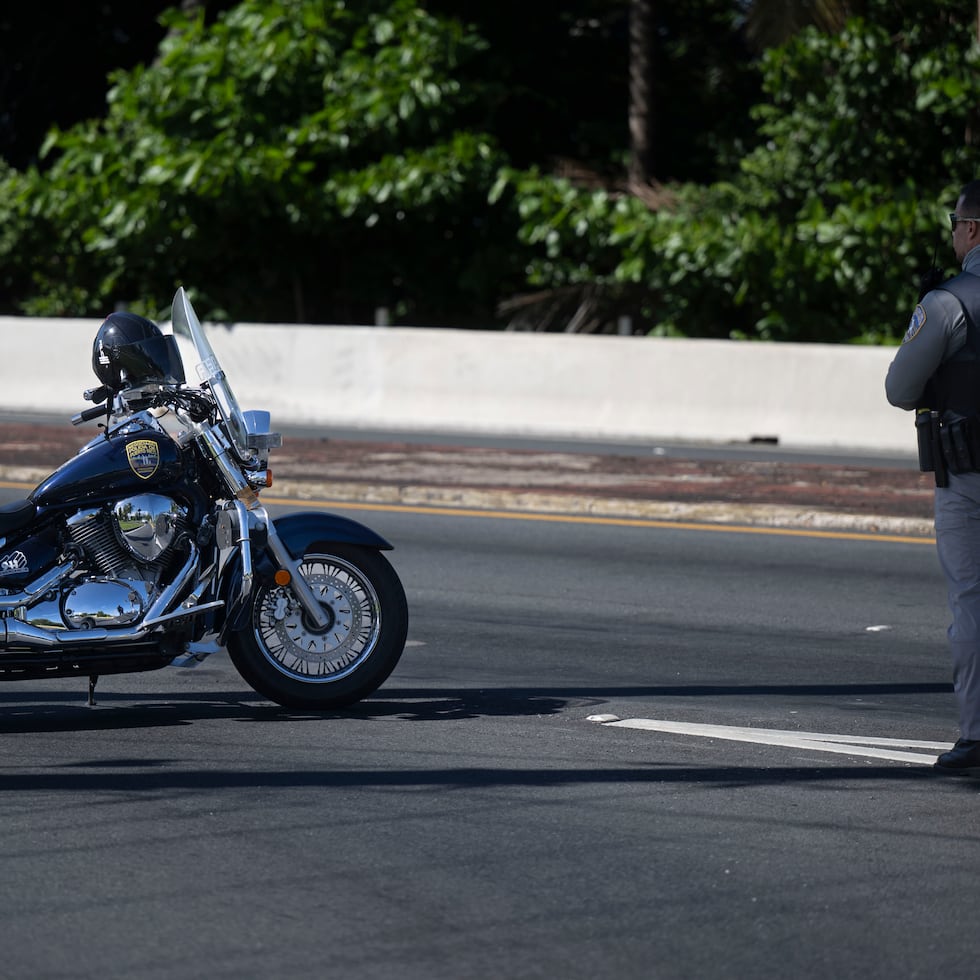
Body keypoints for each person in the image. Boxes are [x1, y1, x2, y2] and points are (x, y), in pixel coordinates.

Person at [886, 178, 980, 774]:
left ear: (971, 228)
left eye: (955, 220)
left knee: (972, 604)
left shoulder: (949, 302)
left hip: (969, 475)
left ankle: (977, 737)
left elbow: (899, 389)